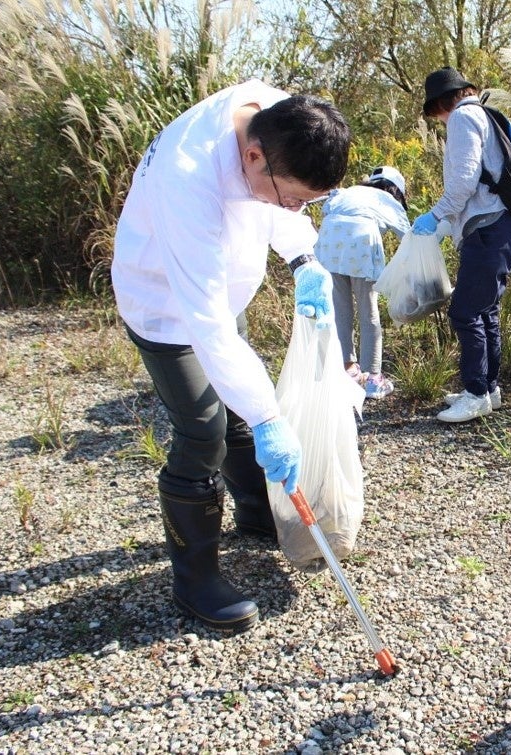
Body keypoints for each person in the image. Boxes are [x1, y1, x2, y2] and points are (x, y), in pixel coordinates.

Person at [112, 81, 351, 633]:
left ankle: (255, 512)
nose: (296, 209)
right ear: (251, 156)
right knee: (203, 429)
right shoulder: (186, 177)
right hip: (167, 304)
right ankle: (194, 577)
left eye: (308, 203)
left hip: (221, 289)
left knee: (242, 407)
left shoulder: (278, 118)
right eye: (292, 197)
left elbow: (283, 208)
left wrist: (303, 258)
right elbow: (208, 325)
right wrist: (271, 419)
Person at [414, 67, 511, 423]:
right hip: (503, 230)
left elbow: (463, 181)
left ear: (443, 102)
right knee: (485, 312)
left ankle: (476, 393)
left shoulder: (463, 117)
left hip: (488, 231)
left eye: (436, 113)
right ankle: (489, 390)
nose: (438, 120)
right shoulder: (486, 115)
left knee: (465, 312)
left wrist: (436, 215)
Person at [314, 166, 410, 398]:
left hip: (329, 244)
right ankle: (373, 378)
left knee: (340, 310)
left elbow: (326, 208)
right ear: (396, 190)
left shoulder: (349, 191)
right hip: (361, 244)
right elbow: (409, 237)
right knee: (368, 311)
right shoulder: (388, 201)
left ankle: (348, 369)